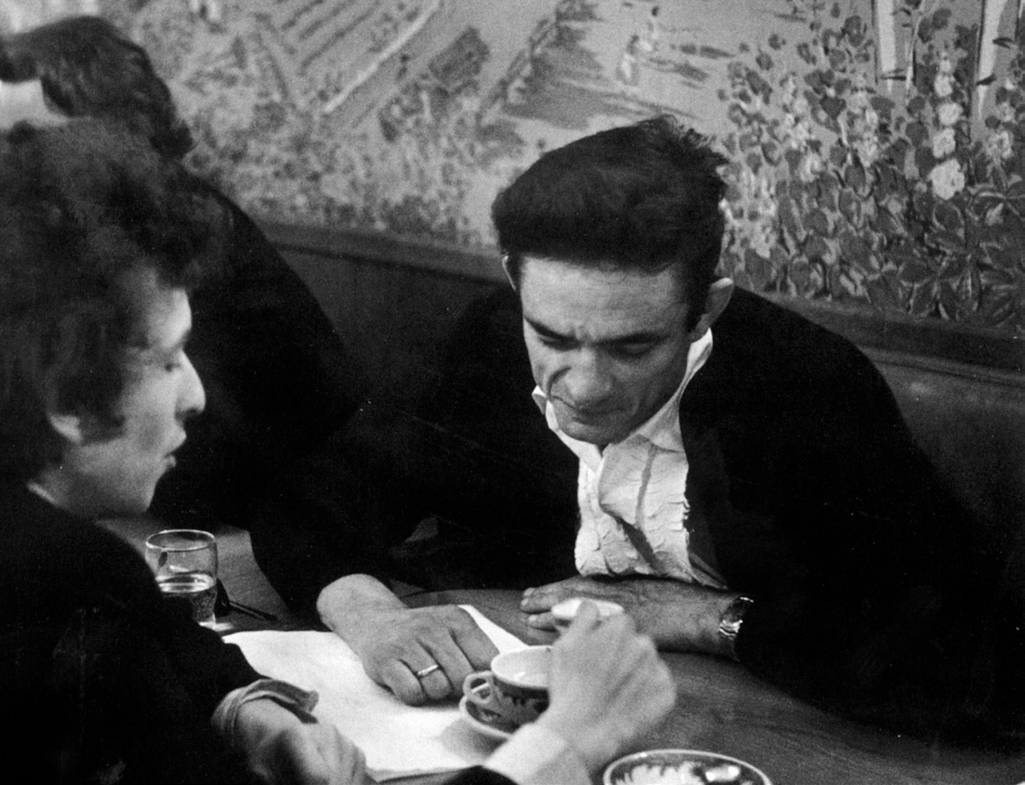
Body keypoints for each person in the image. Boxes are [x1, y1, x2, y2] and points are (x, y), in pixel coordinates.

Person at [0, 121, 674, 784]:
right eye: (167, 359)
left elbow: (144, 628)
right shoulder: (49, 581)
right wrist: (566, 740)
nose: (197, 393)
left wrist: (242, 707)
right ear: (66, 400)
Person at [250, 116, 1018, 740]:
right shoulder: (486, 341)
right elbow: (312, 496)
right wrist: (371, 613)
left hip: (751, 735)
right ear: (517, 282)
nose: (583, 387)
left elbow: (969, 646)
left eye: (632, 347)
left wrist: (708, 617)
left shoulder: (809, 386)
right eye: (553, 337)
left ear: (705, 308)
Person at [0, 14, 366, 534]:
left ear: (115, 134)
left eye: (30, 144)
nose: (5, 170)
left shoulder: (173, 237)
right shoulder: (82, 233)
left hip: (289, 521)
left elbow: (199, 456)